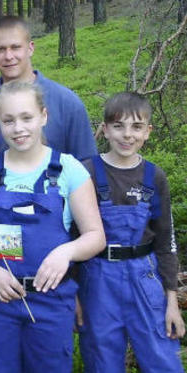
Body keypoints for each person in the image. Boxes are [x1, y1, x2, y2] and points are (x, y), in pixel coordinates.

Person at [0, 81, 105, 373]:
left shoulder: (69, 170)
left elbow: (95, 236)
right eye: (8, 120)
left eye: (27, 118)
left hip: (51, 300)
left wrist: (67, 252)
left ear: (43, 116)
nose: (18, 128)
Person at [77, 92, 185, 373]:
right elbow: (71, 236)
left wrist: (171, 301)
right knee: (102, 359)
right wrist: (74, 295)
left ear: (147, 132)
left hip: (145, 278)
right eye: (118, 126)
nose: (127, 135)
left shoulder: (154, 176)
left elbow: (166, 239)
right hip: (98, 278)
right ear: (104, 129)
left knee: (161, 357)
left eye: (136, 127)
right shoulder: (85, 173)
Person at [0, 16, 97, 160]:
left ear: (30, 48)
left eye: (15, 47)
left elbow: (88, 166)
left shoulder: (67, 104)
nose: (8, 56)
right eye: (0, 49)